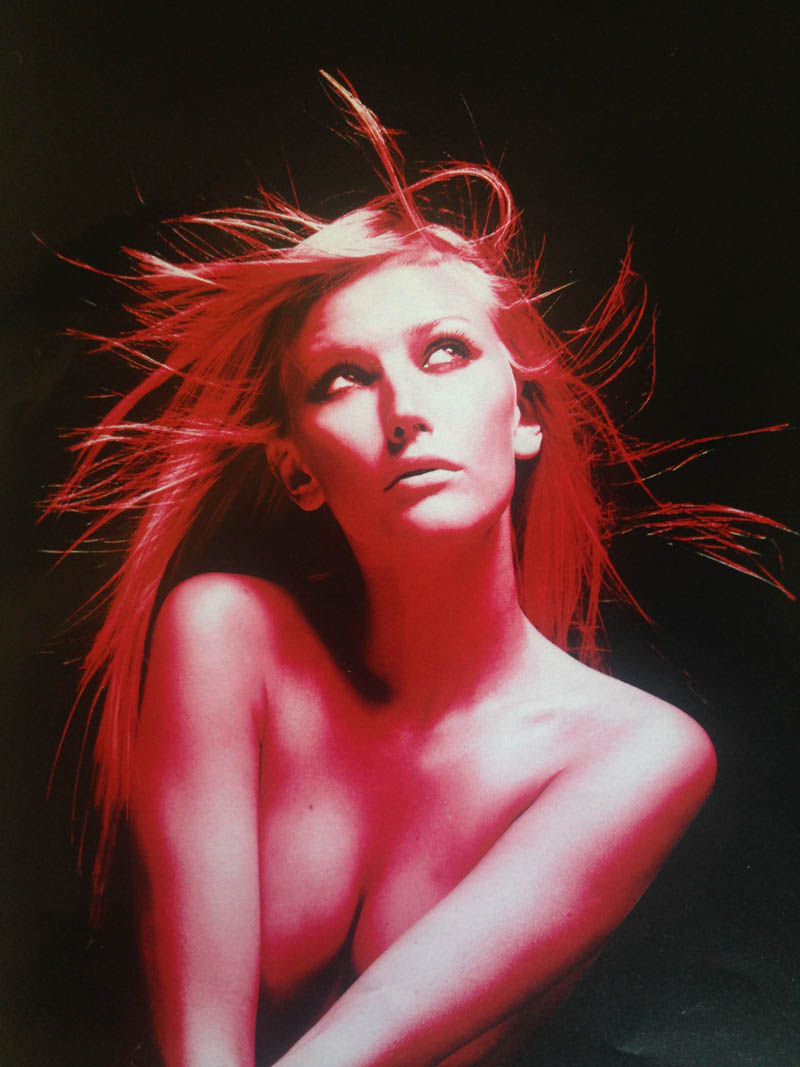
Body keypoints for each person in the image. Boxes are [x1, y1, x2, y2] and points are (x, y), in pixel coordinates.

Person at [49, 74, 786, 1066]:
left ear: (524, 415)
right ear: (297, 469)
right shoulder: (225, 632)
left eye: (444, 352)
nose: (402, 408)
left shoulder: (640, 751)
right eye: (343, 377)